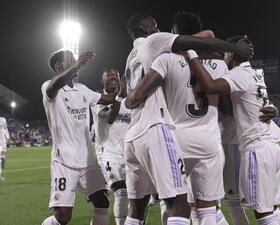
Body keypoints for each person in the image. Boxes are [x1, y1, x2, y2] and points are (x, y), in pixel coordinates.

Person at [123, 13, 253, 225]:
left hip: (173, 137)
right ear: (146, 29)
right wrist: (234, 49)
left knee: (167, 204)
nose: (158, 29)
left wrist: (128, 100)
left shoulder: (160, 59)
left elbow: (137, 95)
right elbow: (226, 105)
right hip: (208, 140)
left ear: (174, 33)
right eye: (154, 26)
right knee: (207, 208)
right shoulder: (219, 64)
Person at [185, 35, 280, 225]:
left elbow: (210, 88)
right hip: (269, 146)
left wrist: (191, 54)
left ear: (231, 53)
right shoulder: (255, 73)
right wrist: (274, 108)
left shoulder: (237, 74)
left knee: (263, 214)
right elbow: (241, 105)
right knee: (271, 210)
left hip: (256, 148)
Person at [41, 50, 120, 225]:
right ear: (59, 67)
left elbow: (108, 99)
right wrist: (77, 65)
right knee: (63, 217)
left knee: (102, 202)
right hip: (64, 163)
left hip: (87, 163)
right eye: (71, 61)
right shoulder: (50, 87)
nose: (77, 63)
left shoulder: (82, 90)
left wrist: (125, 91)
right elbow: (54, 86)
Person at [91, 66, 129, 225]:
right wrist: (119, 98)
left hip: (129, 153)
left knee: (136, 196)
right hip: (107, 153)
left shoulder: (129, 99)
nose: (113, 78)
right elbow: (109, 117)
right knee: (120, 192)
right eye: (109, 76)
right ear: (102, 80)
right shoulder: (97, 100)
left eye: (116, 76)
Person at [0, 116, 10, 180]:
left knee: (3, 159)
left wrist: (8, 136)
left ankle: (2, 171)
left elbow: (5, 128)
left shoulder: (3, 119)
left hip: (3, 141)